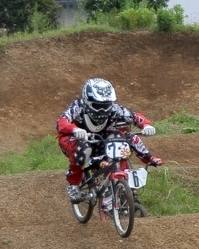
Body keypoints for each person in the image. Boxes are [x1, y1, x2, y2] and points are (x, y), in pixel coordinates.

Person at [56, 77, 163, 205]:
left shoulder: (114, 109)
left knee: (123, 138)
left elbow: (134, 116)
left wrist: (146, 125)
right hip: (74, 139)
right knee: (83, 150)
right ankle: (73, 184)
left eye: (106, 105)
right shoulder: (77, 108)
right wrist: (74, 129)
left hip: (100, 138)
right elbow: (61, 122)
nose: (102, 110)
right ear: (87, 101)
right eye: (97, 106)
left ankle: (137, 167)